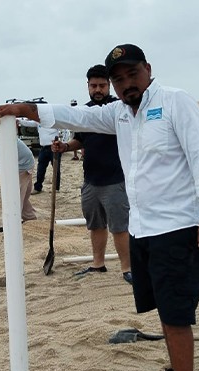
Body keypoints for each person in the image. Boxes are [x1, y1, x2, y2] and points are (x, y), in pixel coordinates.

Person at [0, 44, 199, 371]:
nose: (125, 84)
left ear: (148, 70)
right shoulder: (119, 113)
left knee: (176, 314)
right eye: (118, 79)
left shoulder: (175, 103)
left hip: (179, 227)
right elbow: (76, 115)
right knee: (162, 310)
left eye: (131, 74)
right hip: (144, 227)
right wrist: (26, 110)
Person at [52, 64, 131, 284]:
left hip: (116, 179)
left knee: (120, 227)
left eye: (102, 85)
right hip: (90, 180)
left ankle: (128, 268)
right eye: (93, 85)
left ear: (109, 85)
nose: (98, 89)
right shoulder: (84, 113)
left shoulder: (119, 109)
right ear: (87, 86)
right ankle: (98, 263)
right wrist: (65, 147)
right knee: (95, 225)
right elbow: (80, 140)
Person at [17, 119, 60, 194]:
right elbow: (28, 123)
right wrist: (18, 121)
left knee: (56, 168)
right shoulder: (38, 122)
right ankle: (38, 187)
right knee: (40, 168)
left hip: (54, 147)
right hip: (43, 147)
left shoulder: (54, 121)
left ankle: (56, 188)